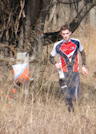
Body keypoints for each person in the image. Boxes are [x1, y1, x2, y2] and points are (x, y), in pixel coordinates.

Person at [49, 24, 88, 112]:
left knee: (76, 97)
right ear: (61, 34)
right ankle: (71, 115)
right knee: (67, 98)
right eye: (63, 34)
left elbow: (82, 53)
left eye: (67, 33)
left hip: (75, 73)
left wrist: (84, 66)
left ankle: (76, 113)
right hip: (63, 74)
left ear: (70, 33)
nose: (66, 35)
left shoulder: (76, 42)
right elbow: (50, 57)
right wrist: (55, 64)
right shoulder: (57, 45)